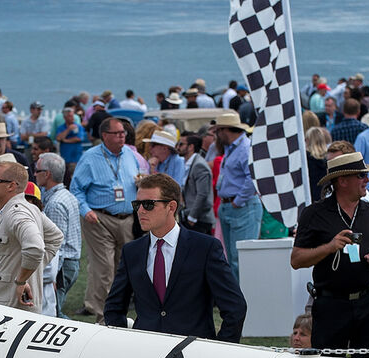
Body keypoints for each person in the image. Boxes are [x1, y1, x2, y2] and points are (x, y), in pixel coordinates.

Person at [105, 173, 245, 341]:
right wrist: (126, 343)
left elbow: (235, 307)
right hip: (144, 352)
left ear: (171, 207)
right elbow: (114, 307)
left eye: (148, 204)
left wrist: (220, 350)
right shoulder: (131, 251)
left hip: (194, 353)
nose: (140, 210)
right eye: (137, 204)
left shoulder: (205, 248)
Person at [291, 153, 369, 356]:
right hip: (331, 304)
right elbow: (296, 260)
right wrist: (329, 247)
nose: (367, 180)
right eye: (361, 175)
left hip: (367, 301)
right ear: (342, 181)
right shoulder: (314, 214)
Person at [69, 117, 139, 321]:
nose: (122, 136)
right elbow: (76, 189)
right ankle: (104, 317)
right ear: (105, 136)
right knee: (104, 269)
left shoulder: (130, 155)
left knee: (124, 268)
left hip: (127, 219)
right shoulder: (90, 158)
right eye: (117, 133)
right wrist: (85, 210)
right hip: (99, 219)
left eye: (124, 133)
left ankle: (119, 312)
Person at [0, 162, 63, 312]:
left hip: (12, 309)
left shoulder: (16, 214)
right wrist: (33, 268)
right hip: (13, 306)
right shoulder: (29, 209)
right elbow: (56, 237)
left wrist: (21, 280)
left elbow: (35, 248)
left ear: (11, 186)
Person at [214, 110, 260, 282]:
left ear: (226, 130)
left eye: (219, 130)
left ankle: (245, 297)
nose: (217, 134)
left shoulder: (244, 148)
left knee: (240, 259)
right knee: (235, 258)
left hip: (240, 206)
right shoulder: (235, 148)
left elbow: (252, 178)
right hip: (234, 205)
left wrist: (237, 201)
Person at [36, 153, 81, 318]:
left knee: (52, 314)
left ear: (47, 174)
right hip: (69, 263)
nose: (34, 174)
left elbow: (57, 244)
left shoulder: (55, 203)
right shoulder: (66, 196)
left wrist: (52, 276)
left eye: (37, 170)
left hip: (63, 266)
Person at [176, 133, 215, 235]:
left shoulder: (199, 165)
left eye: (181, 144)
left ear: (191, 147)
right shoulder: (189, 163)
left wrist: (192, 217)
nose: (178, 147)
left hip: (199, 220)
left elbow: (203, 194)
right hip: (192, 218)